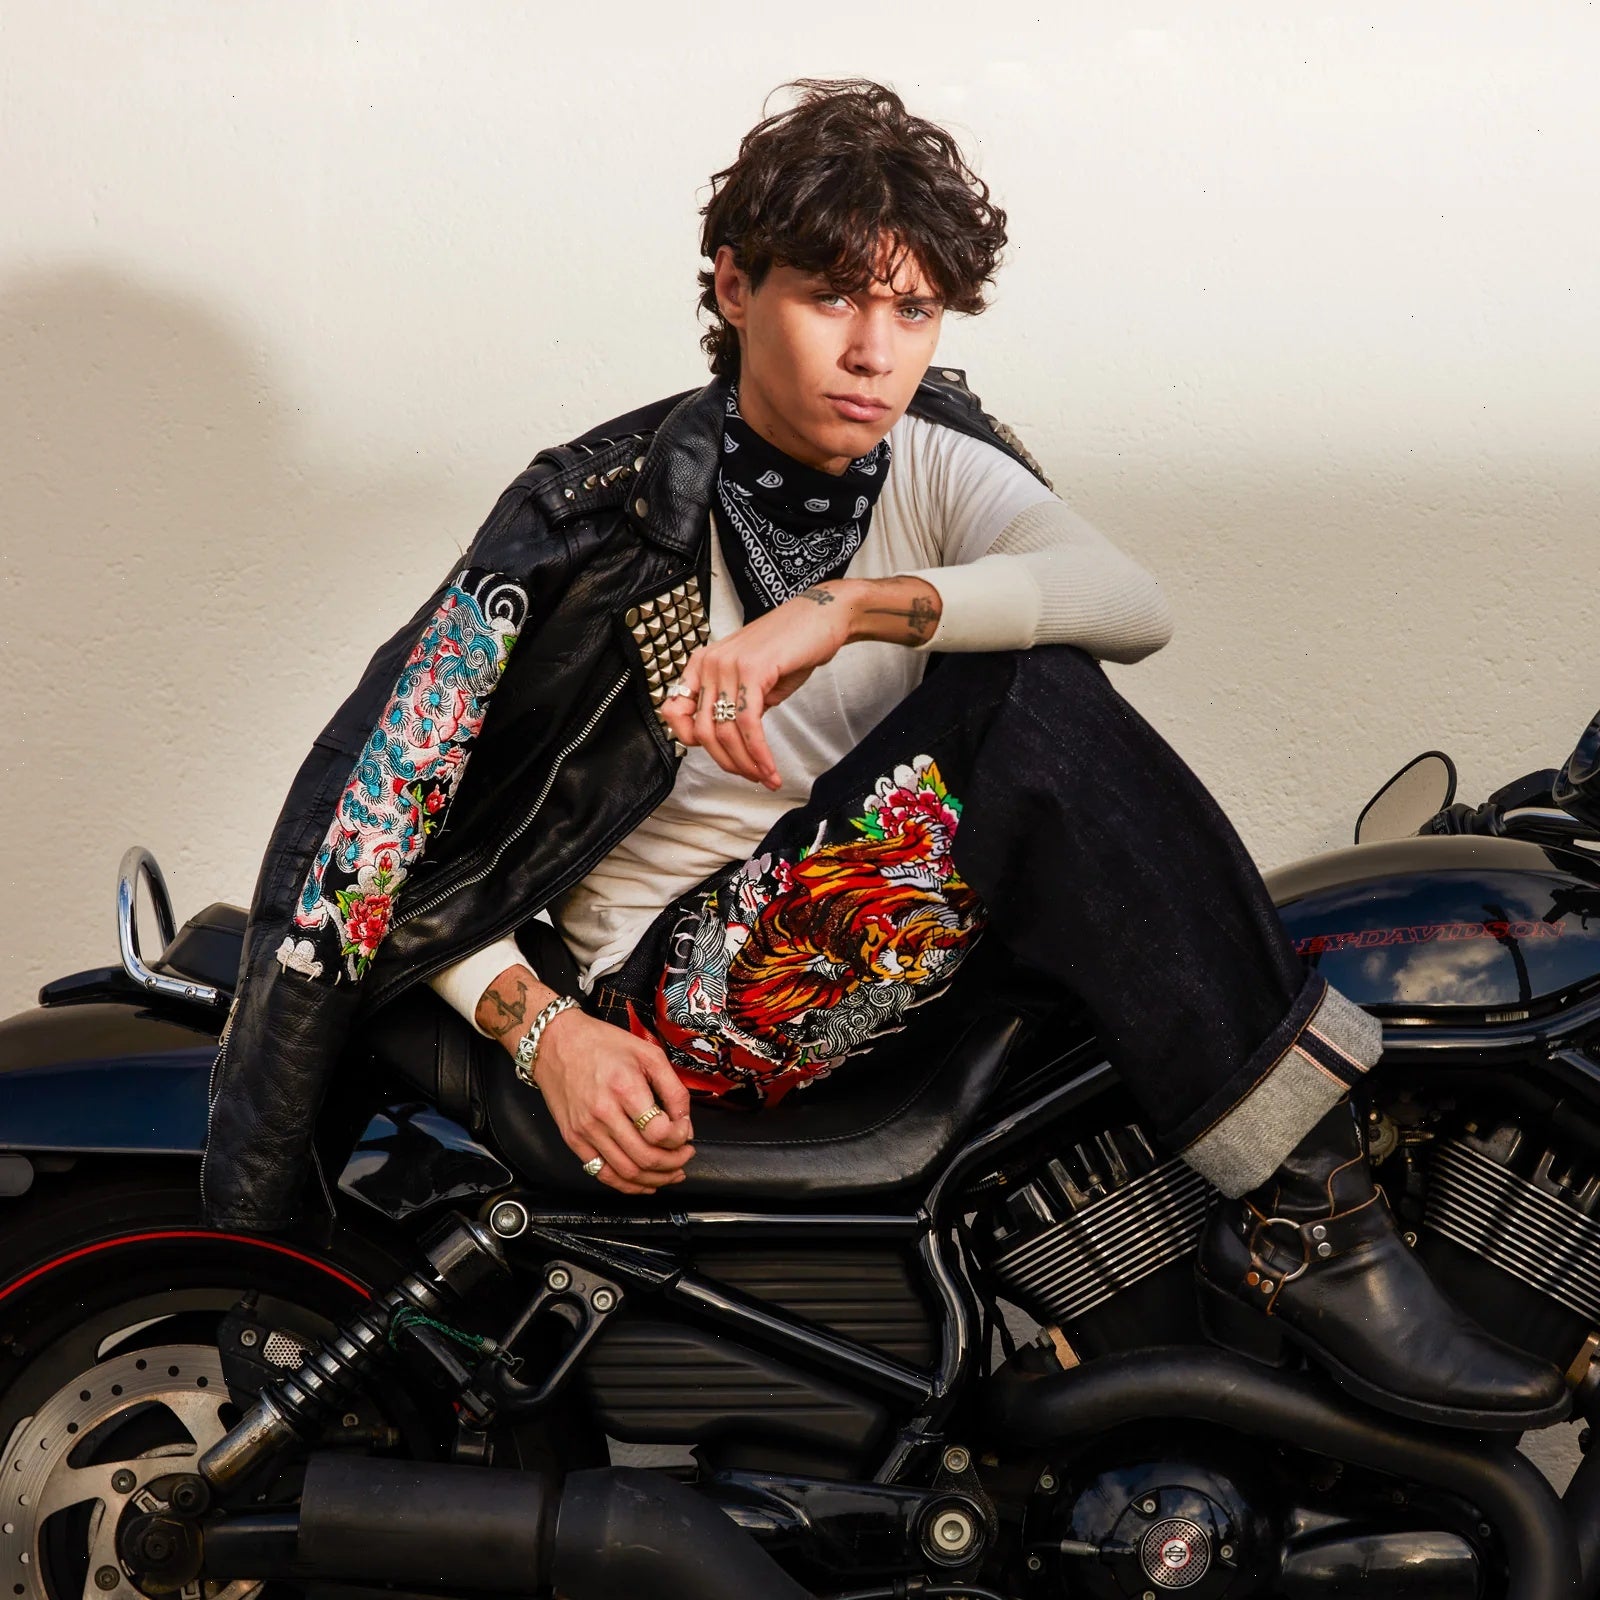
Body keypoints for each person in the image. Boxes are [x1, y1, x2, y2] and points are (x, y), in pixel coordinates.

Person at [202, 78, 1565, 1430]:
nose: (873, 351)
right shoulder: (590, 520)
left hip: (904, 950)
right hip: (689, 991)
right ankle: (1315, 1224)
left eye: (912, 310)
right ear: (734, 289)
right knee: (1020, 700)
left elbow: (1126, 600)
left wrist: (846, 609)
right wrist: (547, 1031)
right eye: (833, 297)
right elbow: (369, 838)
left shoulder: (939, 463)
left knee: (1042, 672)